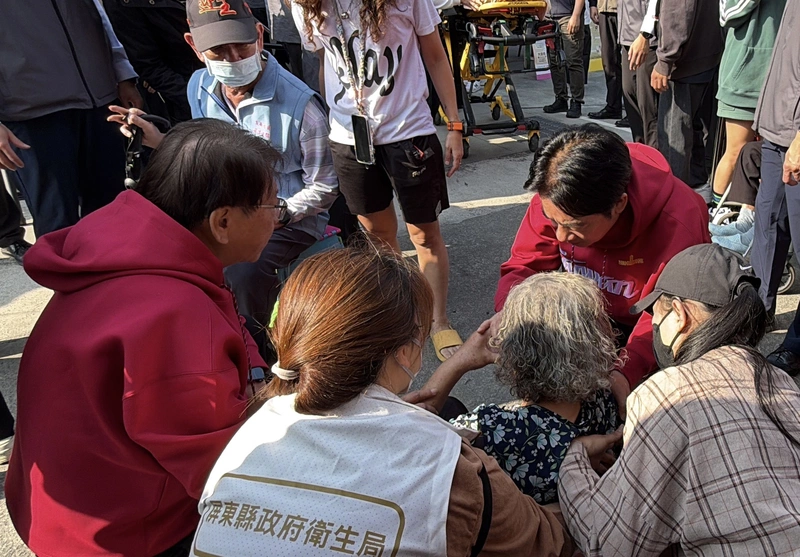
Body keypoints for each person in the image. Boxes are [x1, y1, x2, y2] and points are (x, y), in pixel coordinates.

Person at [5, 120, 281, 556]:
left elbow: (225, 312)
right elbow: (219, 467)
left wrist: (257, 368)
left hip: (57, 511)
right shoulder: (176, 314)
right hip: (126, 535)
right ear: (223, 221)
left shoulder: (126, 247)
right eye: (273, 206)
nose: (278, 217)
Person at [191, 247, 575, 557]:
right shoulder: (450, 467)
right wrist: (580, 470)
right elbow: (546, 542)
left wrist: (455, 366)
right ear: (407, 352)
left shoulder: (253, 432)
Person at [109, 0, 338, 343]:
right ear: (194, 46)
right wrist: (157, 140)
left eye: (241, 46)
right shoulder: (198, 86)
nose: (233, 59)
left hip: (286, 217)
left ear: (259, 36)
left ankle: (254, 358)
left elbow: (323, 186)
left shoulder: (301, 105)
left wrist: (278, 213)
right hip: (222, 213)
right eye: (218, 50)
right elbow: (205, 153)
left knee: (239, 272)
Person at [558, 243, 800, 555]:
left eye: (655, 316)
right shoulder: (778, 380)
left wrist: (573, 460)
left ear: (678, 313)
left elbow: (609, 543)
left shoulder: (669, 393)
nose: (655, 327)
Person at [291, 0, 465, 361]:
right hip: (348, 136)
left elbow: (434, 55)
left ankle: (438, 320)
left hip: (409, 131)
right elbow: (324, 60)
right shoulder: (304, 4)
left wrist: (454, 125)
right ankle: (398, 317)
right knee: (377, 236)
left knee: (424, 234)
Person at [496, 124, 710, 410]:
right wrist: (509, 315)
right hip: (591, 320)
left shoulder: (680, 220)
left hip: (651, 323)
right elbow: (524, 266)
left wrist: (625, 372)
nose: (559, 236)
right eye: (553, 221)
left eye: (574, 227)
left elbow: (668, 312)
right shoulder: (557, 195)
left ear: (619, 204)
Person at [425, 272, 620, 505]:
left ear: (515, 354)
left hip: (501, 526)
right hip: (561, 511)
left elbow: (411, 439)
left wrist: (460, 361)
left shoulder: (490, 428)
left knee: (447, 407)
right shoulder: (604, 397)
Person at [0, 0, 142, 237]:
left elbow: (98, 12)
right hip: (31, 110)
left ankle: (116, 274)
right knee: (59, 228)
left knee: (114, 213)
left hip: (100, 97)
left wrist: (122, 71)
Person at [750, 0, 800, 376]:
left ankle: (798, 342)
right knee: (767, 223)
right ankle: (758, 311)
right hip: (776, 127)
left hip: (796, 135)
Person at [710, 0, 786, 207]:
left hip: (784, 80)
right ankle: (718, 217)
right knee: (736, 151)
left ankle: (751, 218)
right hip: (745, 77)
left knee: (774, 156)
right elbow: (726, 14)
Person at [651, 0, 722, 190]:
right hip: (708, 55)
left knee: (675, 138)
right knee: (698, 131)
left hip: (685, 63)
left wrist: (665, 60)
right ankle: (697, 188)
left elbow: (677, 13)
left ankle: (675, 198)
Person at [104, 0, 205, 124]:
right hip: (188, 95)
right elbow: (148, 64)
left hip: (230, 73)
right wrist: (196, 99)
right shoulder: (123, 3)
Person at [618, 0, 658, 146]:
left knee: (648, 107)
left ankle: (654, 158)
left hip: (647, 40)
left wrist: (645, 34)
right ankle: (641, 152)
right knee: (630, 94)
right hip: (627, 37)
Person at [543, 0, 589, 118]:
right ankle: (561, 98)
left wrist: (576, 15)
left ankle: (576, 101)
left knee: (573, 61)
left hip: (568, 16)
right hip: (549, 18)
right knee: (554, 61)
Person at [588, 0, 624, 122]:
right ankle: (613, 106)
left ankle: (635, 112)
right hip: (604, 9)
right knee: (609, 61)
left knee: (630, 61)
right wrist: (593, 4)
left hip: (627, 10)